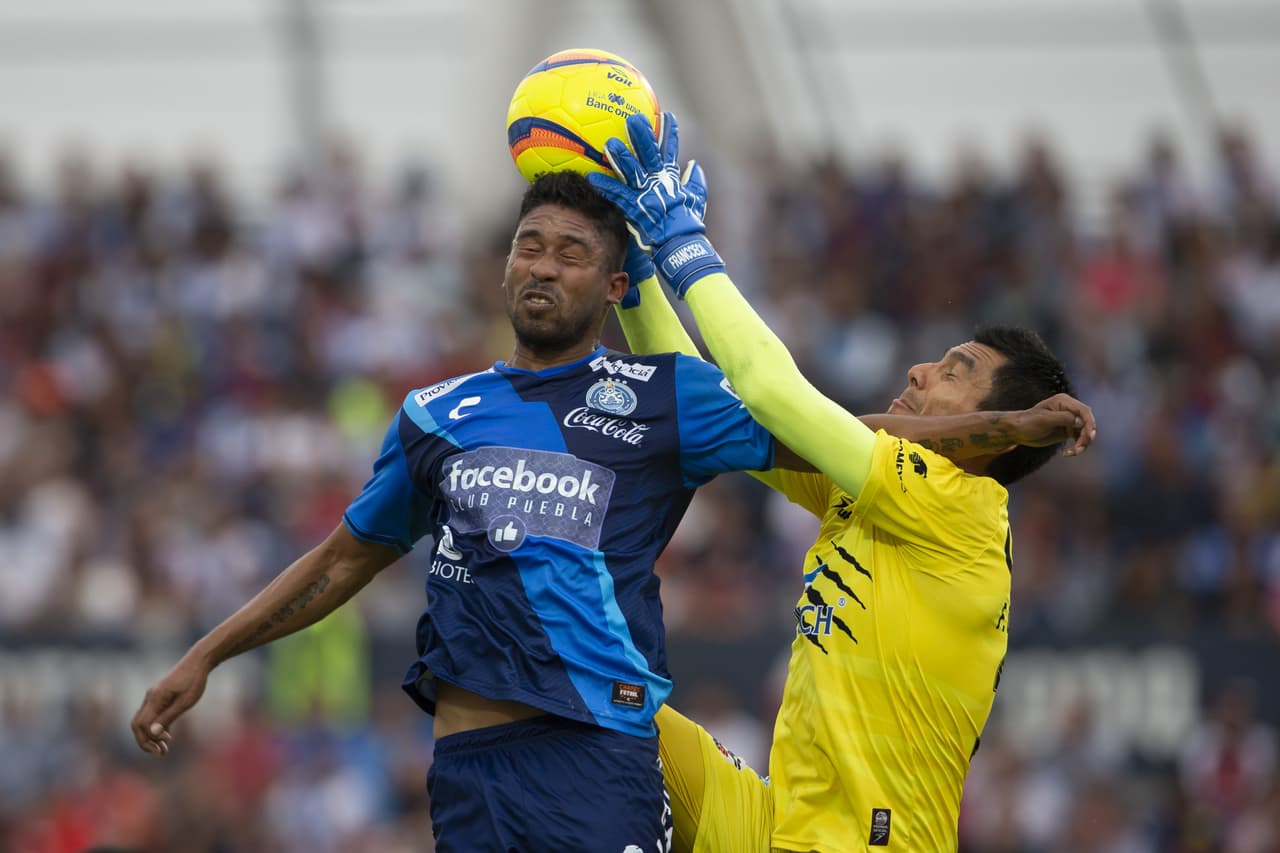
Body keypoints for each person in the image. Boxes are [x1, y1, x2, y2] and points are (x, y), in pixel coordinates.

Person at [131, 170, 791, 852]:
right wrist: (206, 656)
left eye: (571, 253)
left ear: (615, 286)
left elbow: (816, 435)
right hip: (469, 777)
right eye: (528, 245)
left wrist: (904, 441)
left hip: (595, 760)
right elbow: (342, 559)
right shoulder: (436, 415)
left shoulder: (664, 395)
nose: (542, 266)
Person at [589, 112, 1097, 852]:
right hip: (781, 826)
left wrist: (679, 239)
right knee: (588, 673)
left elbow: (771, 389)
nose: (921, 370)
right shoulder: (873, 487)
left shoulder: (959, 504)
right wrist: (631, 271)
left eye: (955, 370)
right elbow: (705, 403)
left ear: (995, 431)